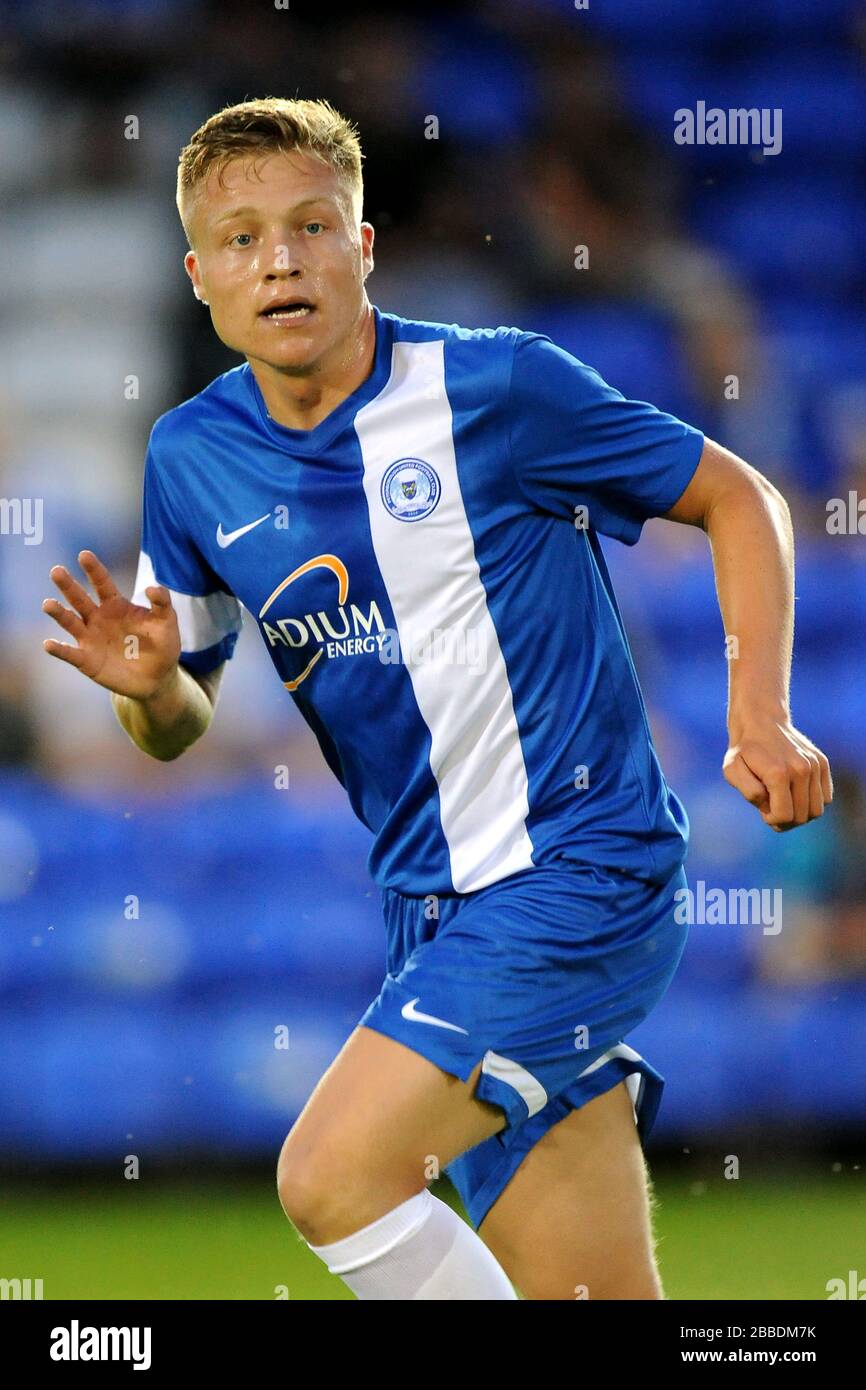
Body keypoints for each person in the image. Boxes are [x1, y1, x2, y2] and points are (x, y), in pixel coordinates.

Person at [42, 97, 832, 1300]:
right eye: (243, 240)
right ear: (198, 277)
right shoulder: (190, 460)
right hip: (432, 913)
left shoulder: (499, 388)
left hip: (580, 871)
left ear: (362, 247)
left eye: (312, 226)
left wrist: (758, 711)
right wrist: (149, 692)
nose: (282, 259)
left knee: (331, 1178)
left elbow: (739, 499)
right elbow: (175, 726)